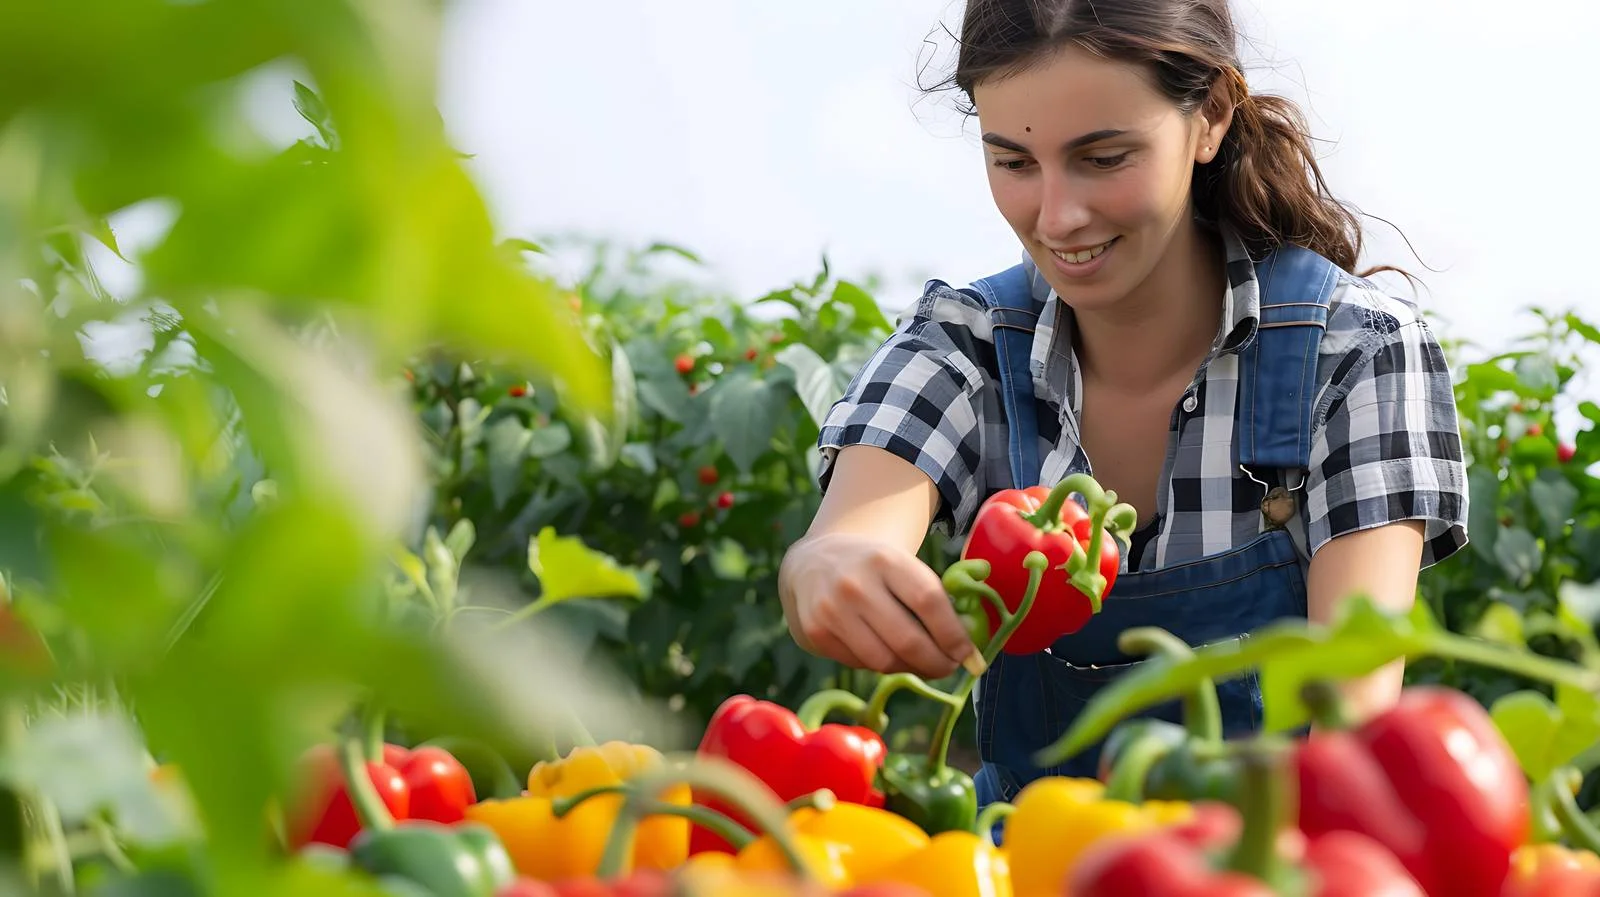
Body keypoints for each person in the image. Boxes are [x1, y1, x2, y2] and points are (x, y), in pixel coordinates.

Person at [776, 0, 1469, 806]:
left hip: (1264, 855)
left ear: (1211, 116)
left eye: (1103, 158)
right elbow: (850, 533)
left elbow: (1352, 722)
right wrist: (824, 564)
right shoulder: (966, 346)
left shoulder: (1353, 352)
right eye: (1014, 163)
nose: (1057, 216)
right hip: (1021, 860)